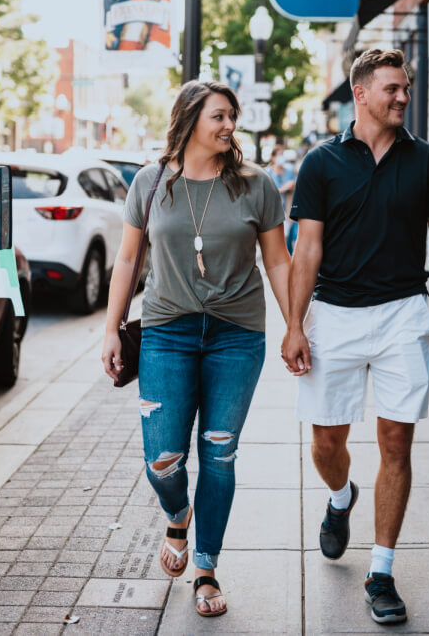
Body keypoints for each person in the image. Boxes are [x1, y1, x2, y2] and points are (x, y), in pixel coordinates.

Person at [282, 48, 429, 626]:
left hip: (401, 315)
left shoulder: (428, 162)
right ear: (359, 93)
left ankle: (382, 571)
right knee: (325, 444)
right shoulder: (321, 163)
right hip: (334, 316)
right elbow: (306, 248)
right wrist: (294, 324)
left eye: (406, 87)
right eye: (391, 87)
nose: (402, 96)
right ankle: (341, 498)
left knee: (397, 443)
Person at [102, 80, 290, 618]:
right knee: (162, 460)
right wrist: (111, 328)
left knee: (219, 454)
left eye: (232, 116)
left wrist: (294, 324)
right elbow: (127, 260)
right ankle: (178, 516)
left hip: (237, 335)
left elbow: (277, 261)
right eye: (219, 116)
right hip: (167, 331)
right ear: (188, 121)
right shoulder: (150, 181)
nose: (230, 125)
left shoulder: (257, 185)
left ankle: (205, 568)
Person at [266, 145, 297, 252]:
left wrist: (291, 186)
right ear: (273, 157)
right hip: (272, 211)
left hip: (287, 210)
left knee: (288, 238)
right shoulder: (267, 173)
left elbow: (295, 185)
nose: (282, 157)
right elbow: (265, 191)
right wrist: (282, 189)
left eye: (283, 155)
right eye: (279, 155)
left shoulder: (289, 170)